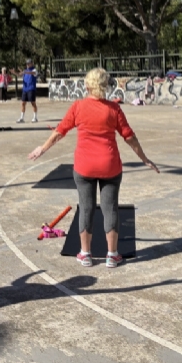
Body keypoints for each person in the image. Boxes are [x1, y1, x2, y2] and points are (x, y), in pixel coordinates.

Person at [28, 68, 159, 267]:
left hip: (84, 167)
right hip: (110, 166)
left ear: (87, 85)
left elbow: (60, 131)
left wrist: (42, 148)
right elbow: (129, 137)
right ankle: (112, 255)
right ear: (106, 86)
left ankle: (85, 254)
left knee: (86, 209)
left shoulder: (78, 106)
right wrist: (144, 158)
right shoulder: (114, 109)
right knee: (110, 210)